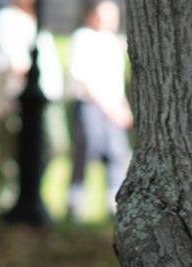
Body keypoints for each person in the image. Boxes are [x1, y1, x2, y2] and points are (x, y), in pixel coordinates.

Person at [0, 0, 64, 215]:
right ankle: (8, 202)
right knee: (12, 153)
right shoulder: (6, 19)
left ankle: (32, 192)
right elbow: (11, 62)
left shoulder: (34, 20)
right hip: (16, 99)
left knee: (52, 146)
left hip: (45, 98)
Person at [64, 1, 131, 221]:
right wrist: (110, 107)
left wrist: (122, 107)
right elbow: (84, 79)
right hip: (90, 104)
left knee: (116, 153)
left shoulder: (112, 42)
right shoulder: (83, 38)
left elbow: (115, 81)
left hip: (112, 106)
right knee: (86, 150)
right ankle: (75, 201)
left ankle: (113, 203)